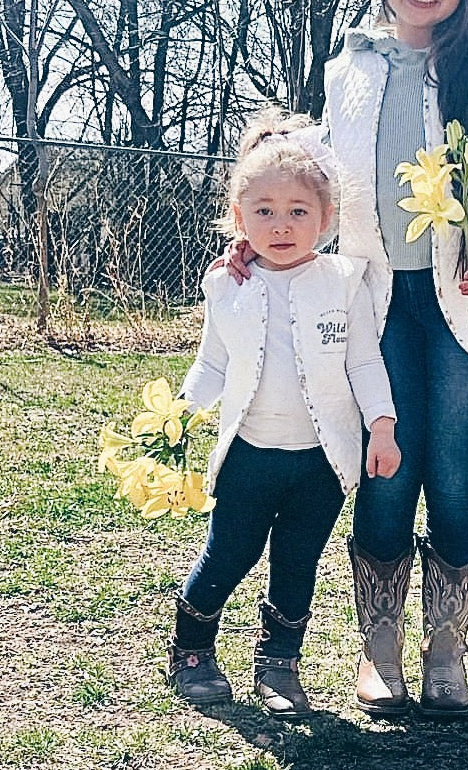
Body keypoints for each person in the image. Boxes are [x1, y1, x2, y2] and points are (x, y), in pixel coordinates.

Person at [226, 0, 468, 719]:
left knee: (453, 476)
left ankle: (447, 647)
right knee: (383, 468)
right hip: (369, 302)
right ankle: (379, 650)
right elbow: (311, 183)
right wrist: (260, 238)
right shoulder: (350, 69)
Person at [168, 110, 401, 720]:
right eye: (264, 210)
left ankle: (279, 667)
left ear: (326, 220)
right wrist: (174, 420)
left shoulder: (346, 283)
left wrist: (382, 424)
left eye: (299, 210)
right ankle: (191, 650)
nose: (281, 224)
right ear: (239, 219)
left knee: (297, 563)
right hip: (248, 456)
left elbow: (364, 364)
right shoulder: (226, 286)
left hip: (320, 464)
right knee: (229, 554)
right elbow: (212, 366)